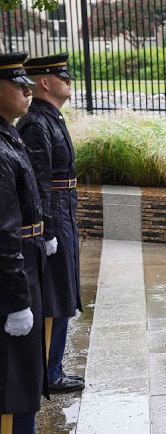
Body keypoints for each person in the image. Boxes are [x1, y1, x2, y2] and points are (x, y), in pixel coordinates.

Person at [17, 53, 84, 393]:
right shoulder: (35, 122)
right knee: (55, 295)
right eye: (63, 77)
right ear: (45, 81)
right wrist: (47, 230)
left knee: (64, 293)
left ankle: (53, 367)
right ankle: (48, 373)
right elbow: (37, 182)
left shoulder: (49, 117)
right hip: (54, 214)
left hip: (63, 211)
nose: (68, 82)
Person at [0, 52, 48, 434]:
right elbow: (4, 231)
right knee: (17, 375)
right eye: (17, 86)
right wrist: (18, 301)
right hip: (15, 271)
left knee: (27, 371)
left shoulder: (10, 136)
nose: (26, 91)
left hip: (27, 262)